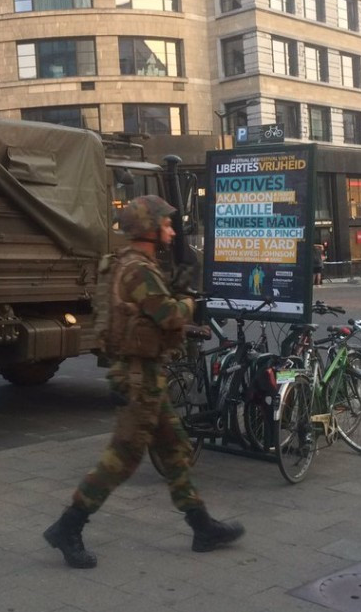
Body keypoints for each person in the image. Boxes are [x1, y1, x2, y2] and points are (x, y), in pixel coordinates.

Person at [43, 195, 244, 571]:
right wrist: (187, 299)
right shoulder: (139, 270)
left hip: (144, 374)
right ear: (149, 228)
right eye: (166, 223)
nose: (171, 229)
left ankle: (202, 527)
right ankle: (68, 527)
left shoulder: (131, 263)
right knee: (123, 457)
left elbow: (147, 317)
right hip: (140, 379)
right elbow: (166, 314)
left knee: (174, 448)